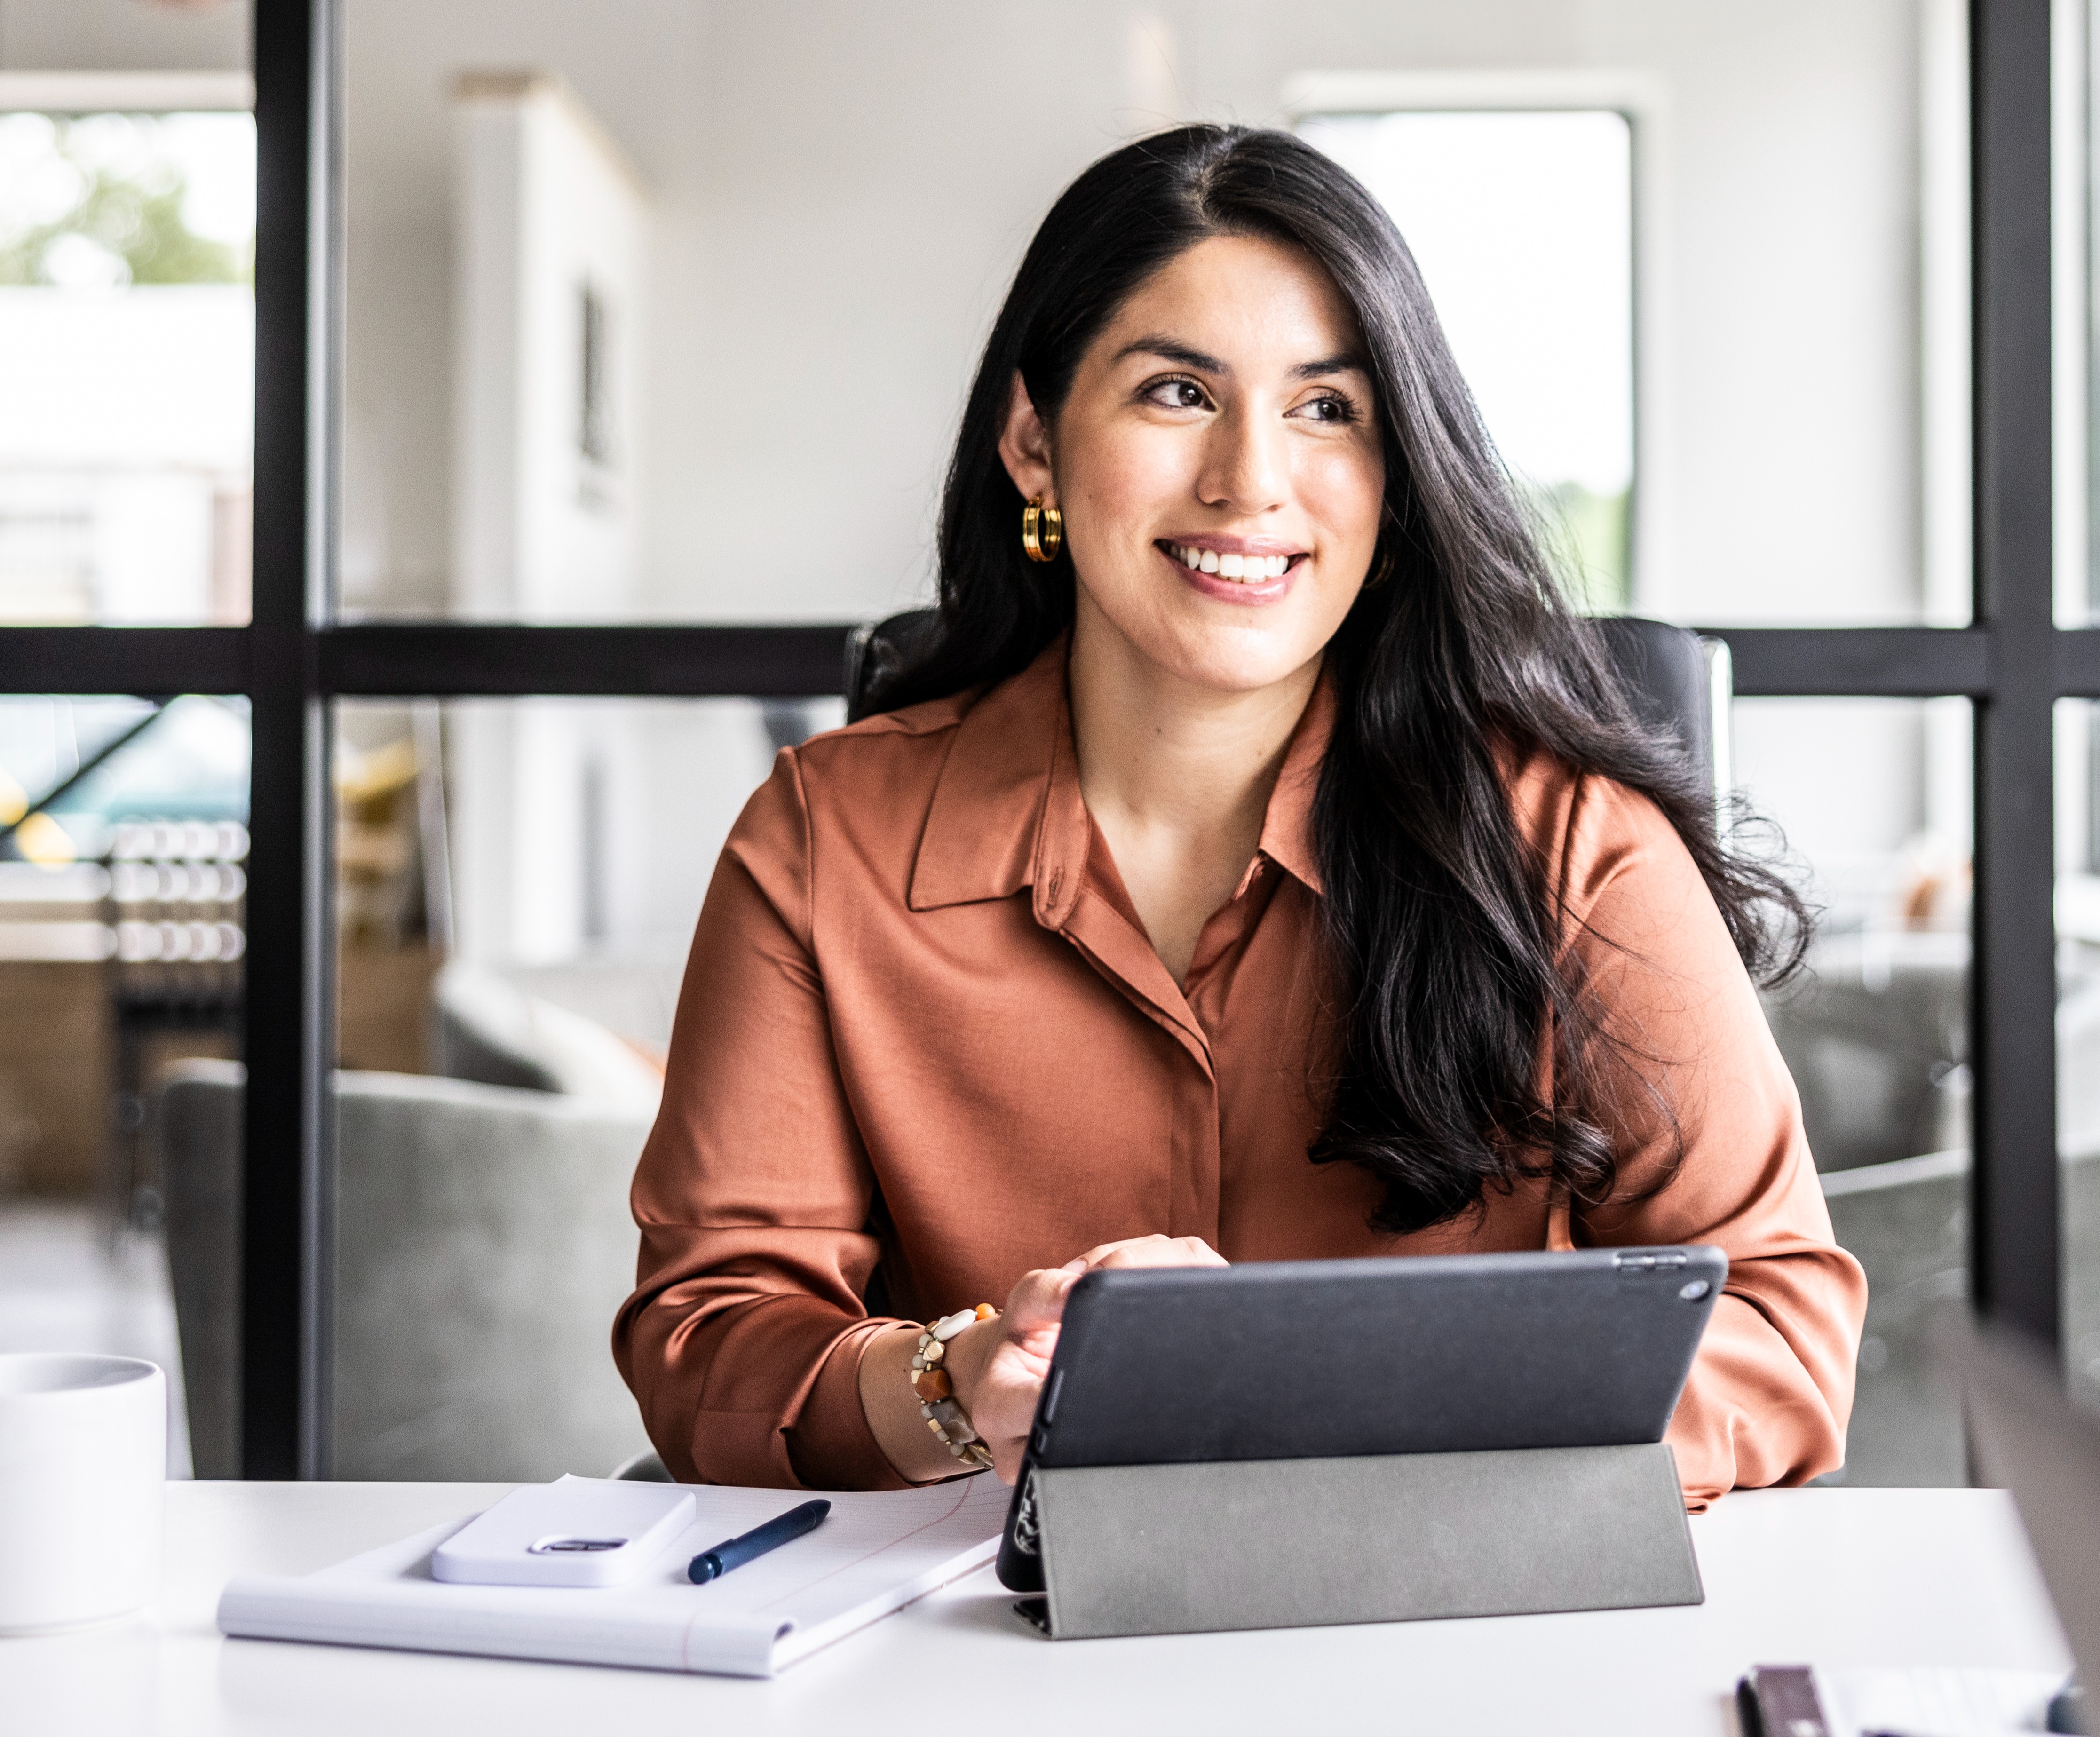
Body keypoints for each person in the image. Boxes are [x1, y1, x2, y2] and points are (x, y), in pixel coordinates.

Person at [615, 127, 1864, 1506]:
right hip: (980, 1653)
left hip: (1454, 1633)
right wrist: (957, 1384)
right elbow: (710, 1334)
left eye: (1327, 409)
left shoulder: (1569, 848)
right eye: (1174, 393)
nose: (1250, 481)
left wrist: (1341, 1397)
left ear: (1395, 479)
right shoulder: (822, 839)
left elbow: (1778, 1331)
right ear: (1033, 442)